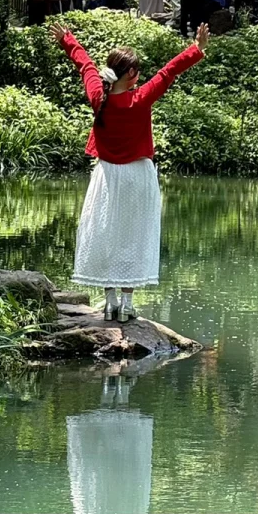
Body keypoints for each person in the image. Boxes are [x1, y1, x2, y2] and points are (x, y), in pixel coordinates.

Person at [52, 19, 209, 321]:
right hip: (137, 176)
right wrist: (197, 48)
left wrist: (67, 39)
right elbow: (169, 71)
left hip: (107, 177)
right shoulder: (140, 98)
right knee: (133, 236)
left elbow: (85, 65)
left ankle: (109, 301)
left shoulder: (100, 96)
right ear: (133, 74)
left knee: (106, 233)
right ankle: (128, 304)